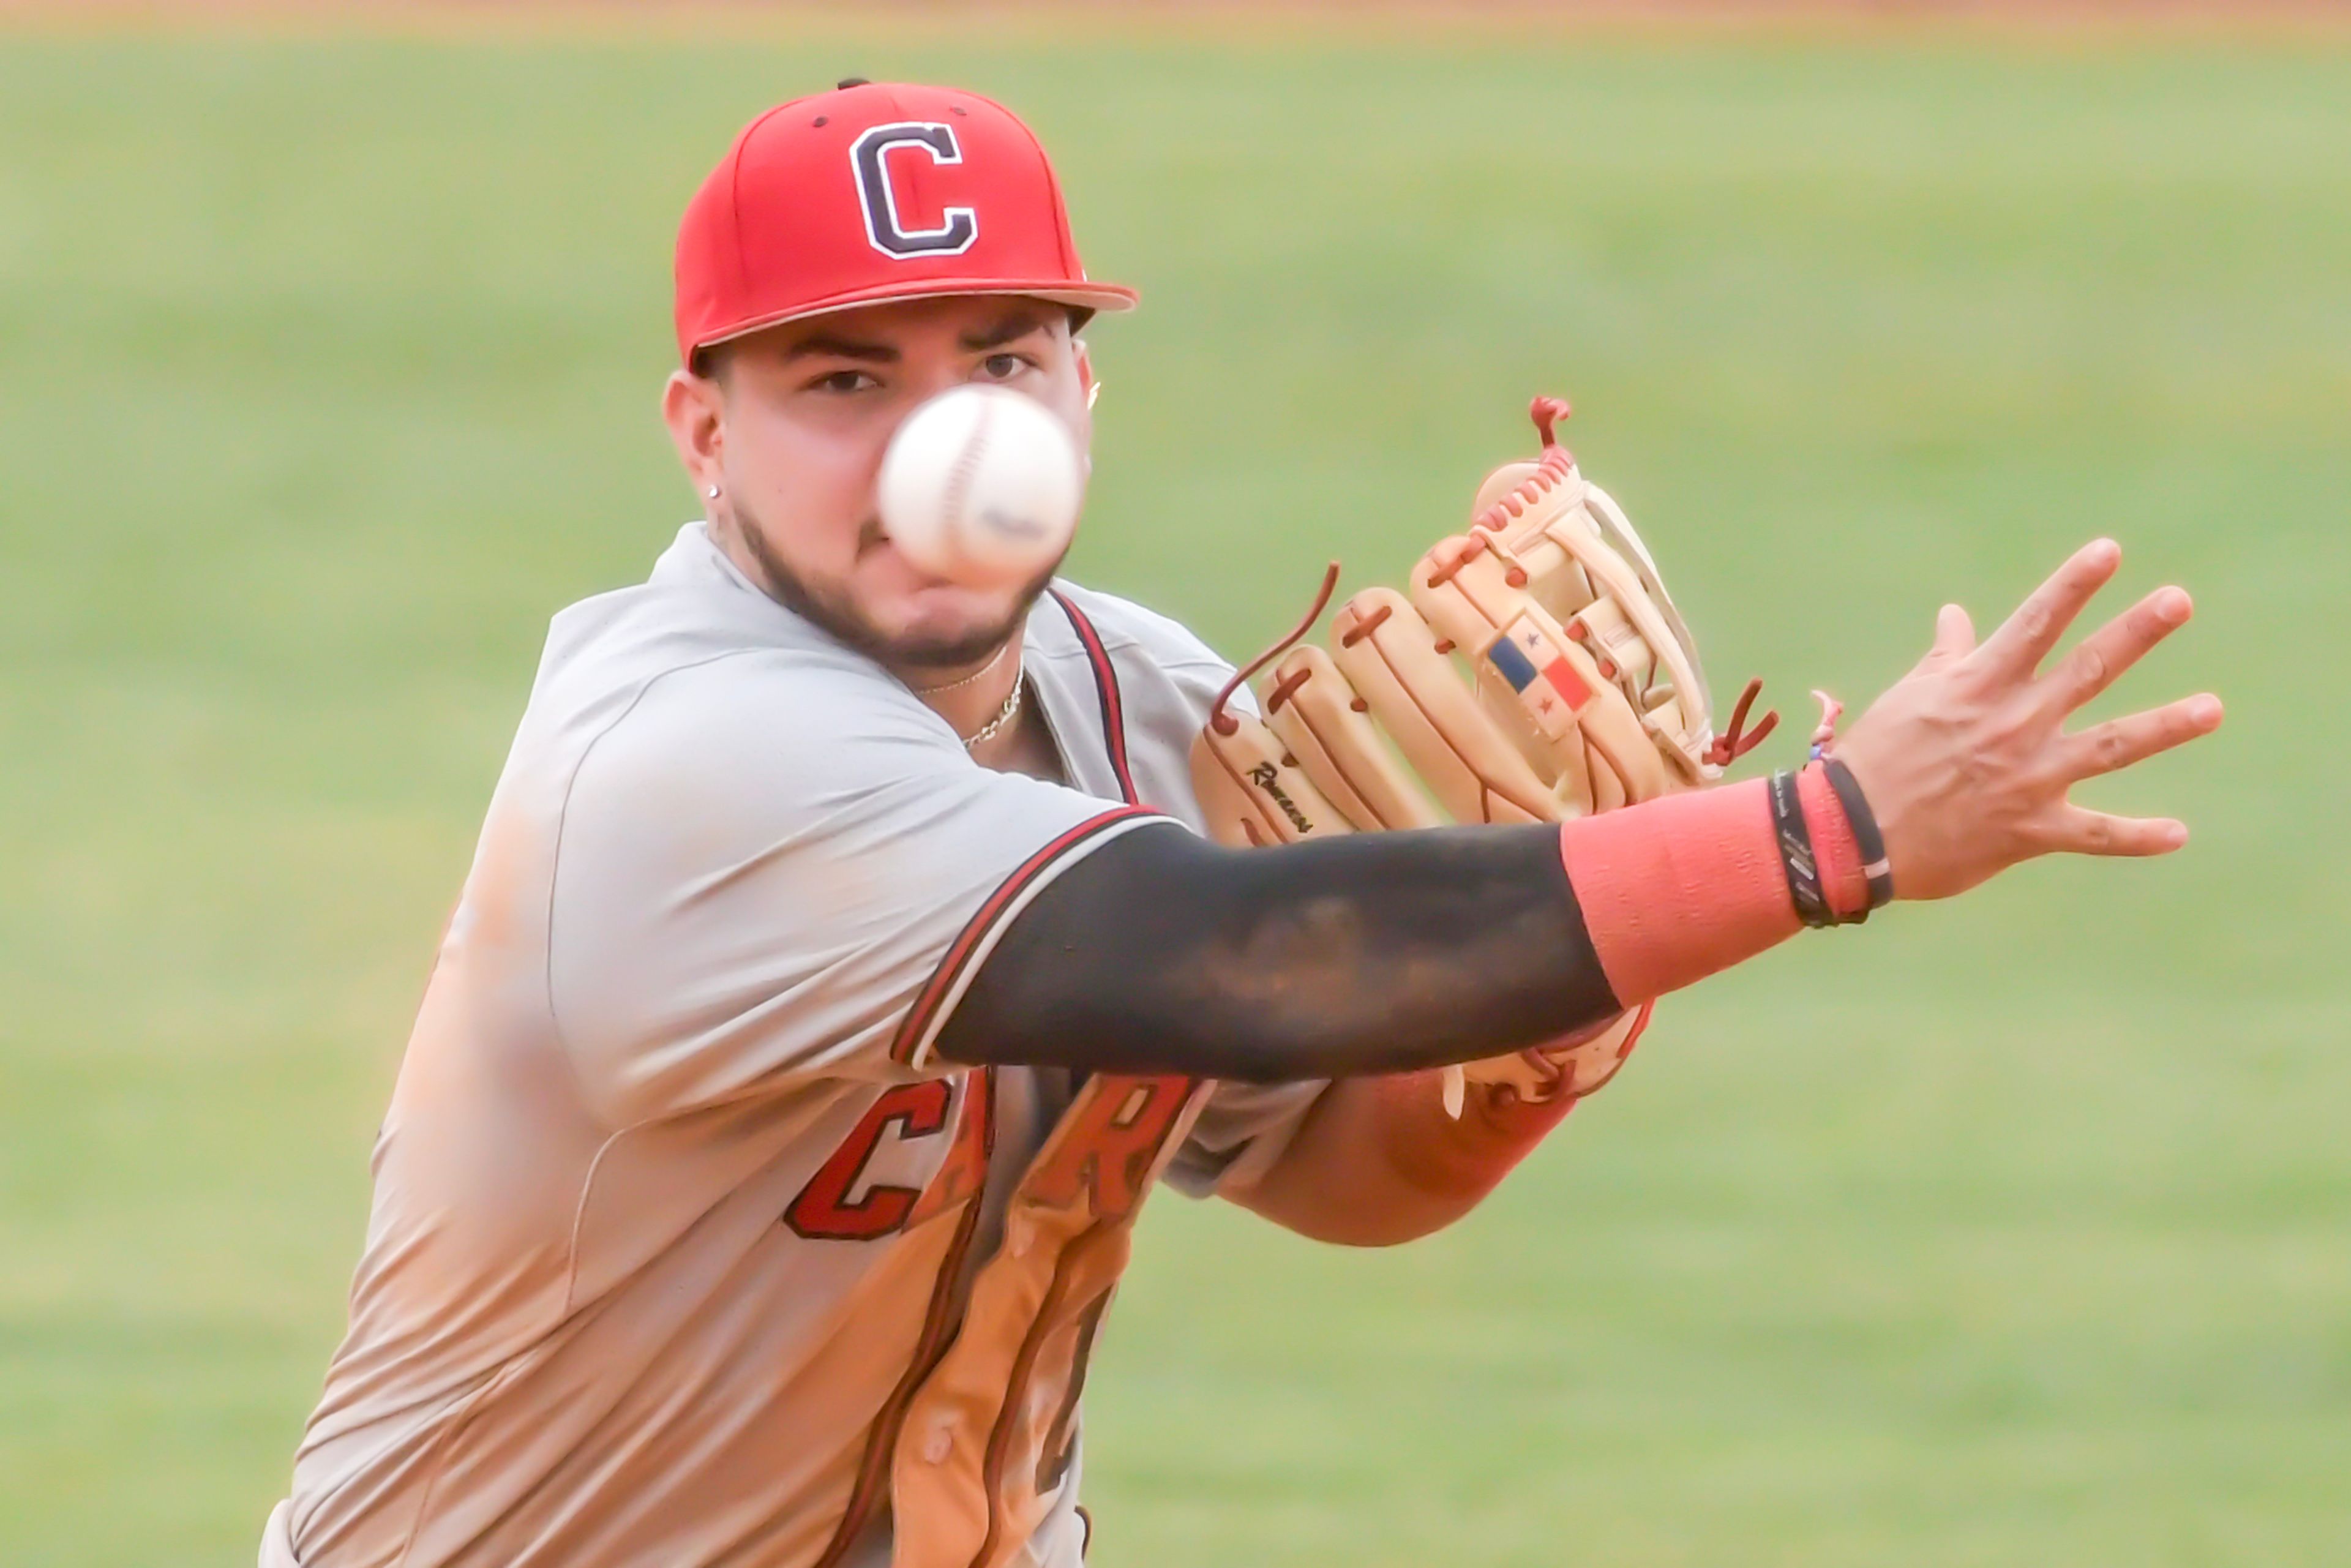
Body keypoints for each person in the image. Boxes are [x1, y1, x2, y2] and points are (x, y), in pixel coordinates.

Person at [260, 80, 2221, 1568]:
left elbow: (1340, 1170)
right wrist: (1827, 830)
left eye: (1003, 364)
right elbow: (1260, 958)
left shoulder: (1133, 702)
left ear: (1084, 398)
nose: (949, 445)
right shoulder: (693, 764)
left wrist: (1534, 1039)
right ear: (702, 432)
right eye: (847, 379)